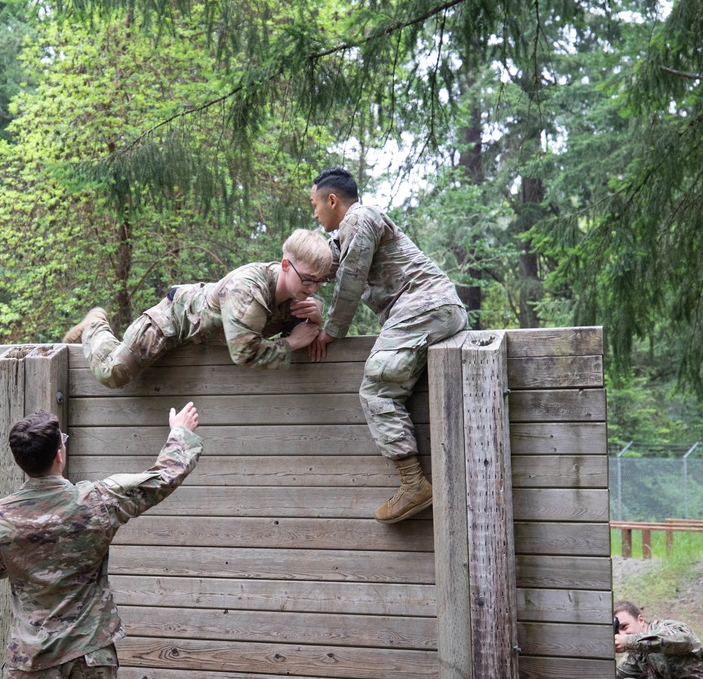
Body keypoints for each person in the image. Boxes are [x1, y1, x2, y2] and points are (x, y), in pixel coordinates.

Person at [0, 402, 203, 678]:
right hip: (90, 656)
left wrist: (19, 560)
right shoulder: (99, 501)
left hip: (31, 661)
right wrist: (179, 433)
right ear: (59, 454)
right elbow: (162, 478)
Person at [307, 166, 468, 524]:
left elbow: (350, 280)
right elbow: (319, 265)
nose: (314, 213)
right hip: (426, 310)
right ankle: (413, 482)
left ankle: (413, 483)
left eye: (315, 204)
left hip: (426, 305)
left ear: (333, 200)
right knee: (385, 381)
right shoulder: (348, 234)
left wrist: (330, 330)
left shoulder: (360, 218)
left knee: (377, 387)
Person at [62, 229, 332, 388]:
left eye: (320, 282)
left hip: (203, 335)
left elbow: (304, 315)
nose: (313, 288)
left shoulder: (299, 292)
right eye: (307, 279)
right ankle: (95, 324)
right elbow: (245, 352)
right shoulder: (247, 289)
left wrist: (315, 318)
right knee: (112, 374)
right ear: (285, 265)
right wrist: (293, 343)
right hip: (172, 322)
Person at [614, 599, 703, 678]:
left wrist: (628, 641)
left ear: (640, 620)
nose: (622, 634)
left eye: (625, 627)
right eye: (617, 631)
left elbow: (683, 639)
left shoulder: (665, 627)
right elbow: (620, 674)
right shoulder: (636, 653)